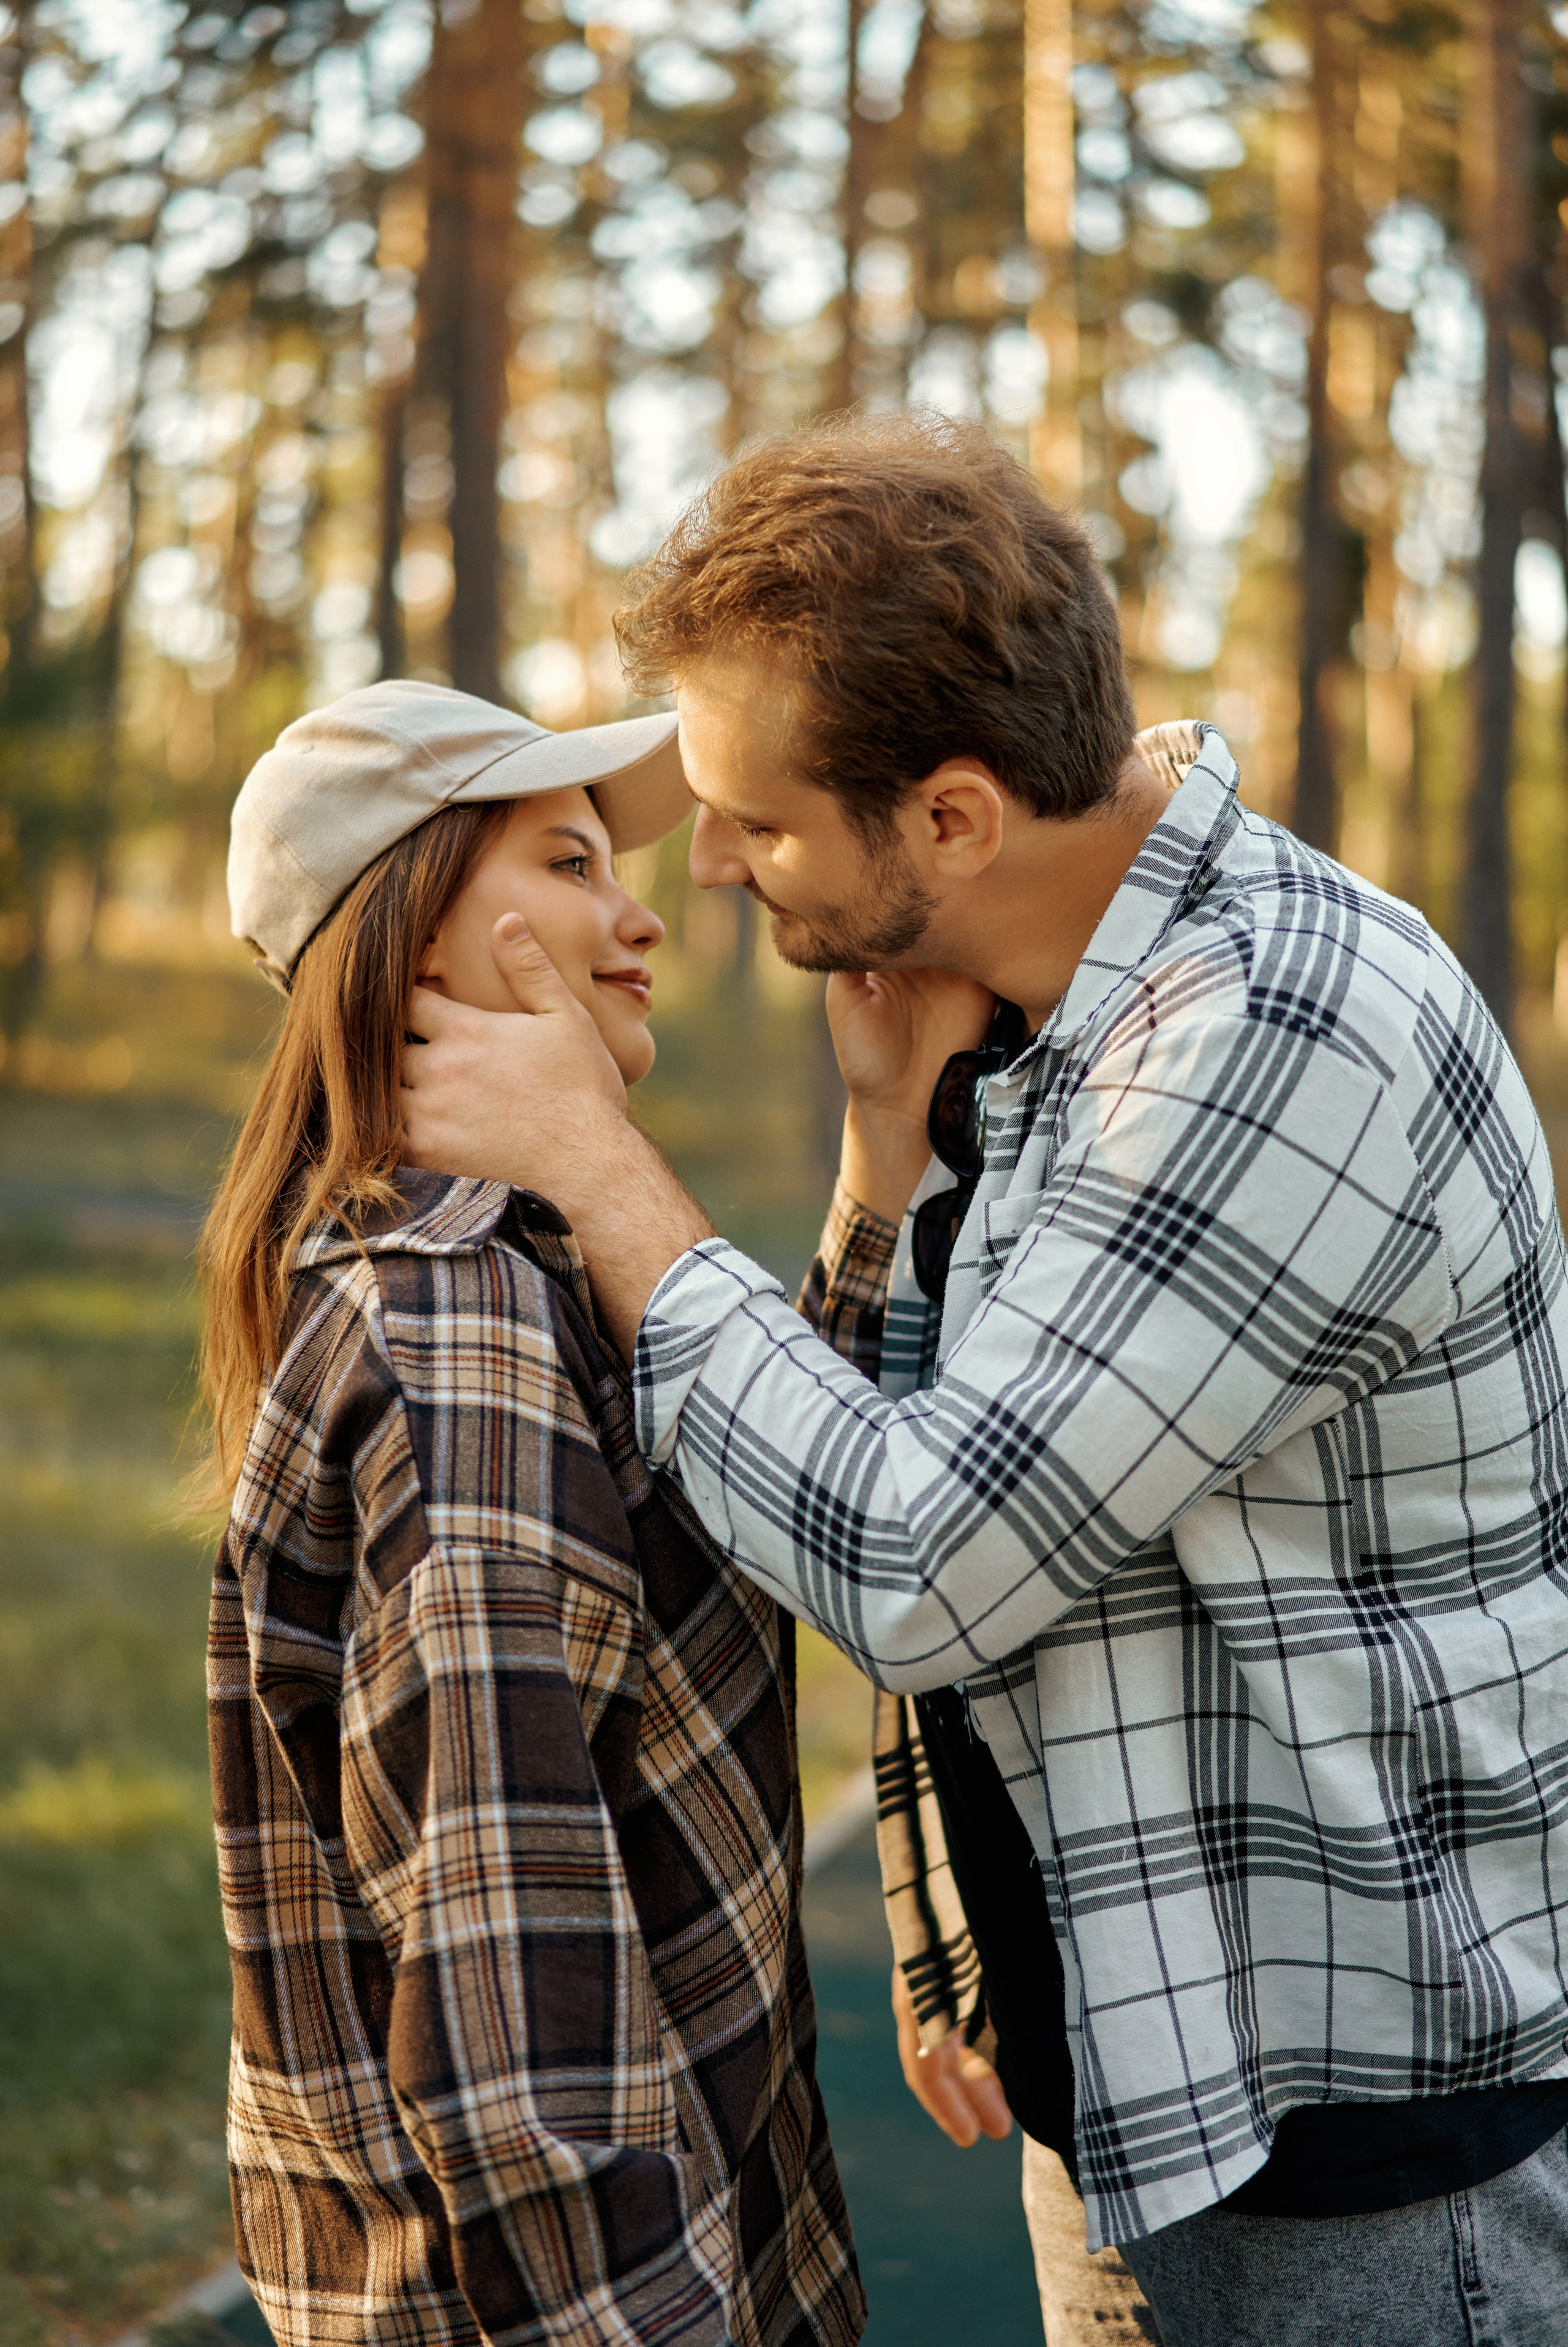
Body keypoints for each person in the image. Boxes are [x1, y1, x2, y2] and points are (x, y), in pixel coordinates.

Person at [399, 413, 1568, 2347]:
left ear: (949, 819)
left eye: (757, 822)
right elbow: (907, 1462)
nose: (712, 876)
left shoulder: (1272, 1032)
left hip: (1349, 2130)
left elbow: (925, 1556)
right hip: (1134, 2070)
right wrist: (879, 1162)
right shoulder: (1038, 1009)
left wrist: (602, 1178)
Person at [200, 681, 865, 2347]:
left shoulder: (520, 1281)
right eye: (571, 864)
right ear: (422, 932)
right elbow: (519, 2041)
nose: (640, 916)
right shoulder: (460, 1337)